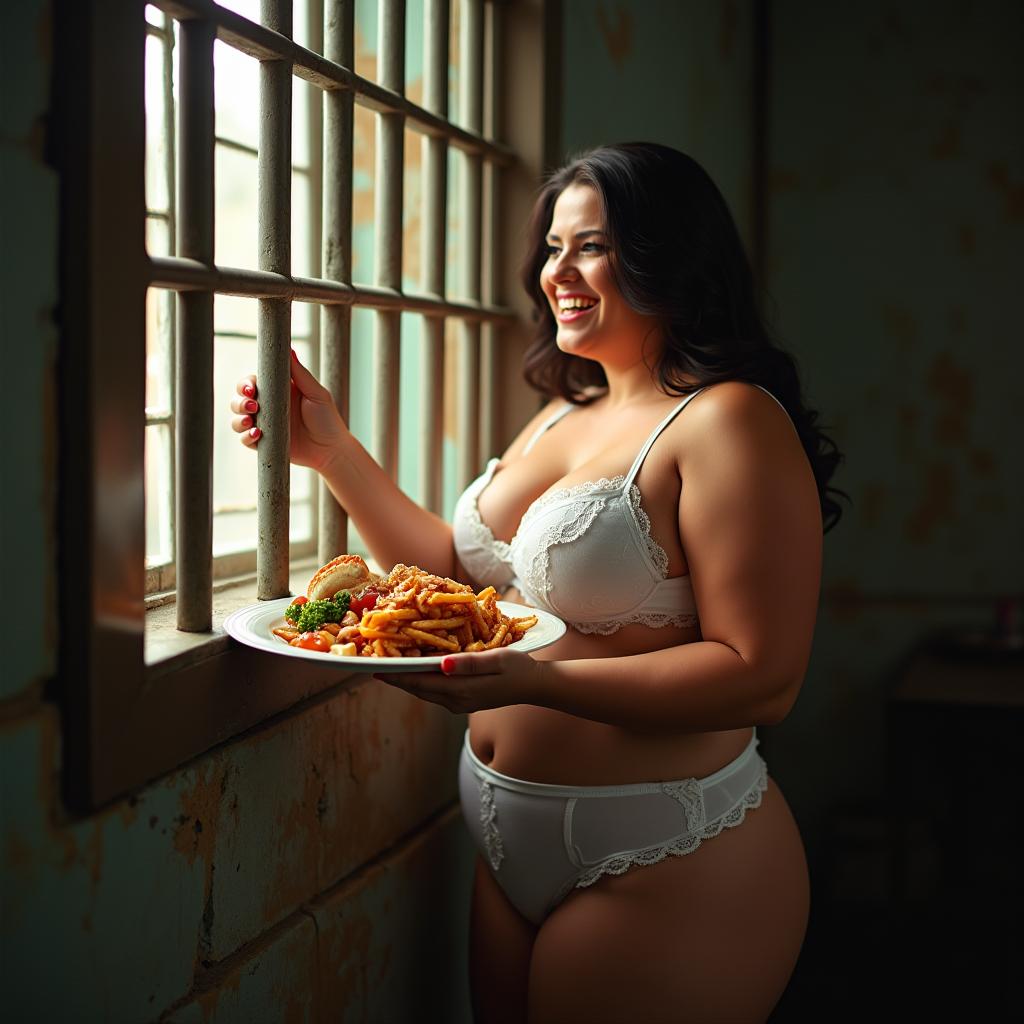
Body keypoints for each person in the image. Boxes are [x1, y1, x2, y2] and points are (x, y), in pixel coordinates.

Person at [230, 142, 844, 1024]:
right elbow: (452, 577)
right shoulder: (566, 411)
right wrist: (332, 451)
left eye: (590, 245)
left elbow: (763, 675)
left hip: (666, 850)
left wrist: (539, 682)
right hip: (505, 846)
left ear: (667, 252)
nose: (559, 270)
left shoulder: (729, 420)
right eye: (553, 247)